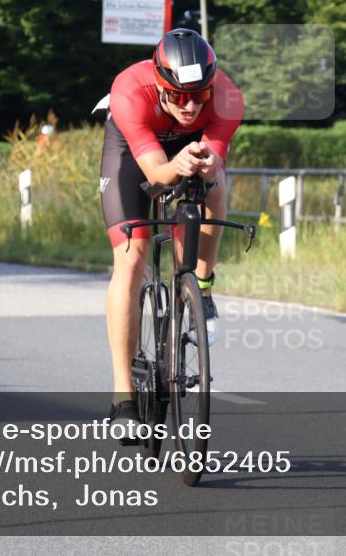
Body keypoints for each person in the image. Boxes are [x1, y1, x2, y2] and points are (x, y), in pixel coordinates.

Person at [99, 28, 244, 430]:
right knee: (132, 258)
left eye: (200, 95)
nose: (190, 105)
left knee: (216, 185)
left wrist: (207, 164)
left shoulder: (227, 97)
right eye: (179, 95)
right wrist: (175, 166)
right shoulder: (131, 91)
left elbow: (214, 158)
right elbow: (156, 174)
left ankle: (200, 286)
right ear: (160, 84)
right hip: (133, 154)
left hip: (189, 148)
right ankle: (123, 396)